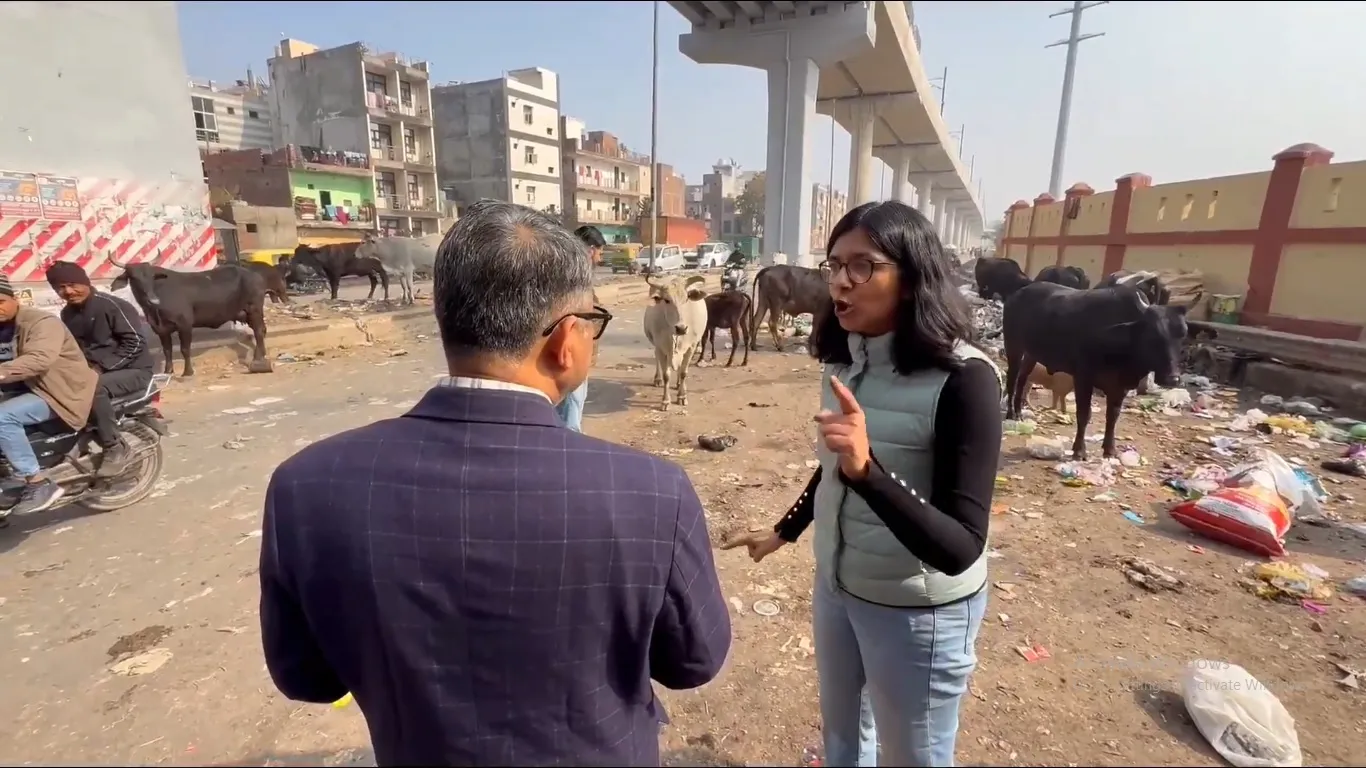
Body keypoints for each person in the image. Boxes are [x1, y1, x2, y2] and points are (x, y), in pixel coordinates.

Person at [260, 201, 731, 767]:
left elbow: (307, 677)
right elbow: (694, 661)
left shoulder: (307, 487)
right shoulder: (651, 492)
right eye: (594, 323)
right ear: (566, 341)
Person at [723, 201, 1002, 767]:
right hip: (838, 590)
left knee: (914, 757)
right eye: (833, 265)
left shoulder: (965, 380)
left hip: (917, 612)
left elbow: (960, 548)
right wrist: (784, 530)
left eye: (862, 266)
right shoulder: (846, 365)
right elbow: (834, 467)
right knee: (844, 741)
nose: (840, 282)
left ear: (912, 277)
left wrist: (866, 471)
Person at [0, 273, 98, 519]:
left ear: (14, 299)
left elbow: (39, 359)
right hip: (23, 388)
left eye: (0, 301)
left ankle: (37, 482)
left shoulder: (42, 322)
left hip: (58, 390)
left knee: (2, 417)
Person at [47, 261, 154, 477]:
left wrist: (100, 368)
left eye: (72, 284)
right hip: (98, 372)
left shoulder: (112, 306)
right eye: (60, 287)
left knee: (93, 387)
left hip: (134, 371)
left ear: (85, 282)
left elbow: (135, 343)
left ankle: (114, 446)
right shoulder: (68, 314)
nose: (68, 291)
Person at [555, 224, 606, 431]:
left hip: (569, 354)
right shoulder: (573, 278)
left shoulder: (563, 271)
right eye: (599, 253)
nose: (599, 260)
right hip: (571, 355)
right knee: (570, 418)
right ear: (590, 250)